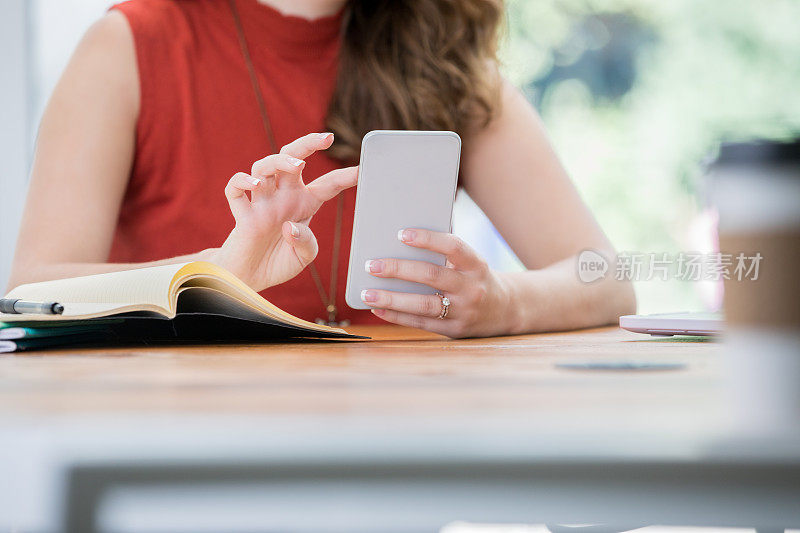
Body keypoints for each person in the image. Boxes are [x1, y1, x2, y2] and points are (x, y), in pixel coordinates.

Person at [9, 0, 635, 338]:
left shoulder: (442, 51)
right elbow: (32, 289)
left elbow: (606, 278)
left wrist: (504, 303)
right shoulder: (128, 45)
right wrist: (218, 274)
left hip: (389, 452)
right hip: (185, 437)